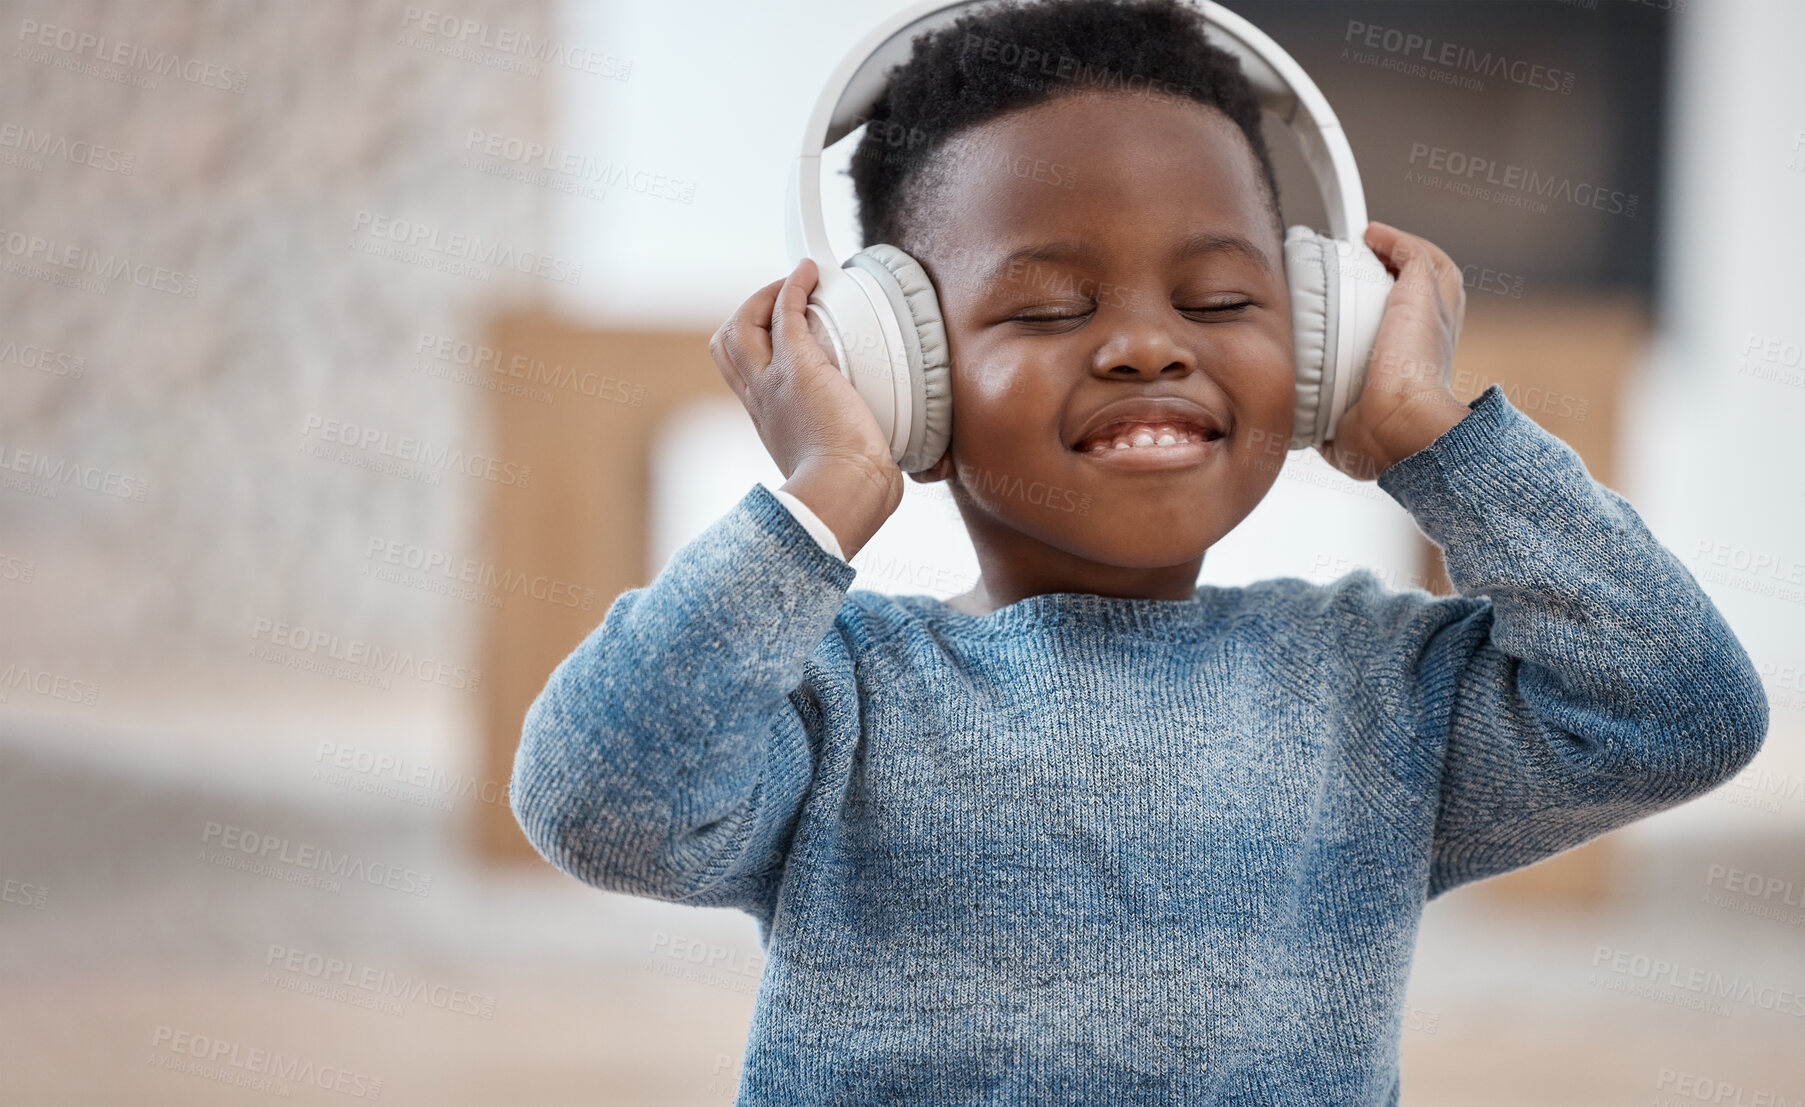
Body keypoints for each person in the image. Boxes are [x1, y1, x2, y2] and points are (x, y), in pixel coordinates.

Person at [509, 0, 1768, 1101]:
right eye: (1051, 309)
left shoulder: (1374, 694)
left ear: (1318, 348)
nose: (1145, 347)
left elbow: (1677, 708)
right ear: (906, 380)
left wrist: (1436, 443)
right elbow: (598, 803)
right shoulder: (838, 692)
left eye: (1219, 301)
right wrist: (823, 493)